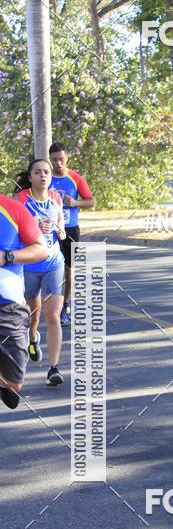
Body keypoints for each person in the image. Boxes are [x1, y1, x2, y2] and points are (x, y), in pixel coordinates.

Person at [16, 159, 67, 386]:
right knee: (32, 316)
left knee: (53, 315)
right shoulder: (20, 200)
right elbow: (14, 229)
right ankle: (32, 337)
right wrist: (33, 224)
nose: (43, 176)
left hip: (53, 263)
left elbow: (61, 229)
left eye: (46, 172)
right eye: (38, 172)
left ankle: (53, 368)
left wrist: (59, 230)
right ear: (30, 177)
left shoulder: (56, 198)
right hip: (28, 265)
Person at [0, 194, 48, 409]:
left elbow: (41, 248)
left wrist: (8, 257)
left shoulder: (12, 209)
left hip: (9, 306)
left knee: (14, 383)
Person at [48, 142, 95, 323]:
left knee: (68, 269)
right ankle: (48, 303)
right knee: (49, 269)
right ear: (50, 160)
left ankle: (65, 305)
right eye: (54, 160)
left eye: (61, 159)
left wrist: (74, 203)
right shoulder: (45, 177)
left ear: (67, 158)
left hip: (70, 229)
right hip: (50, 230)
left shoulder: (76, 178)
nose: (58, 164)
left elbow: (91, 202)